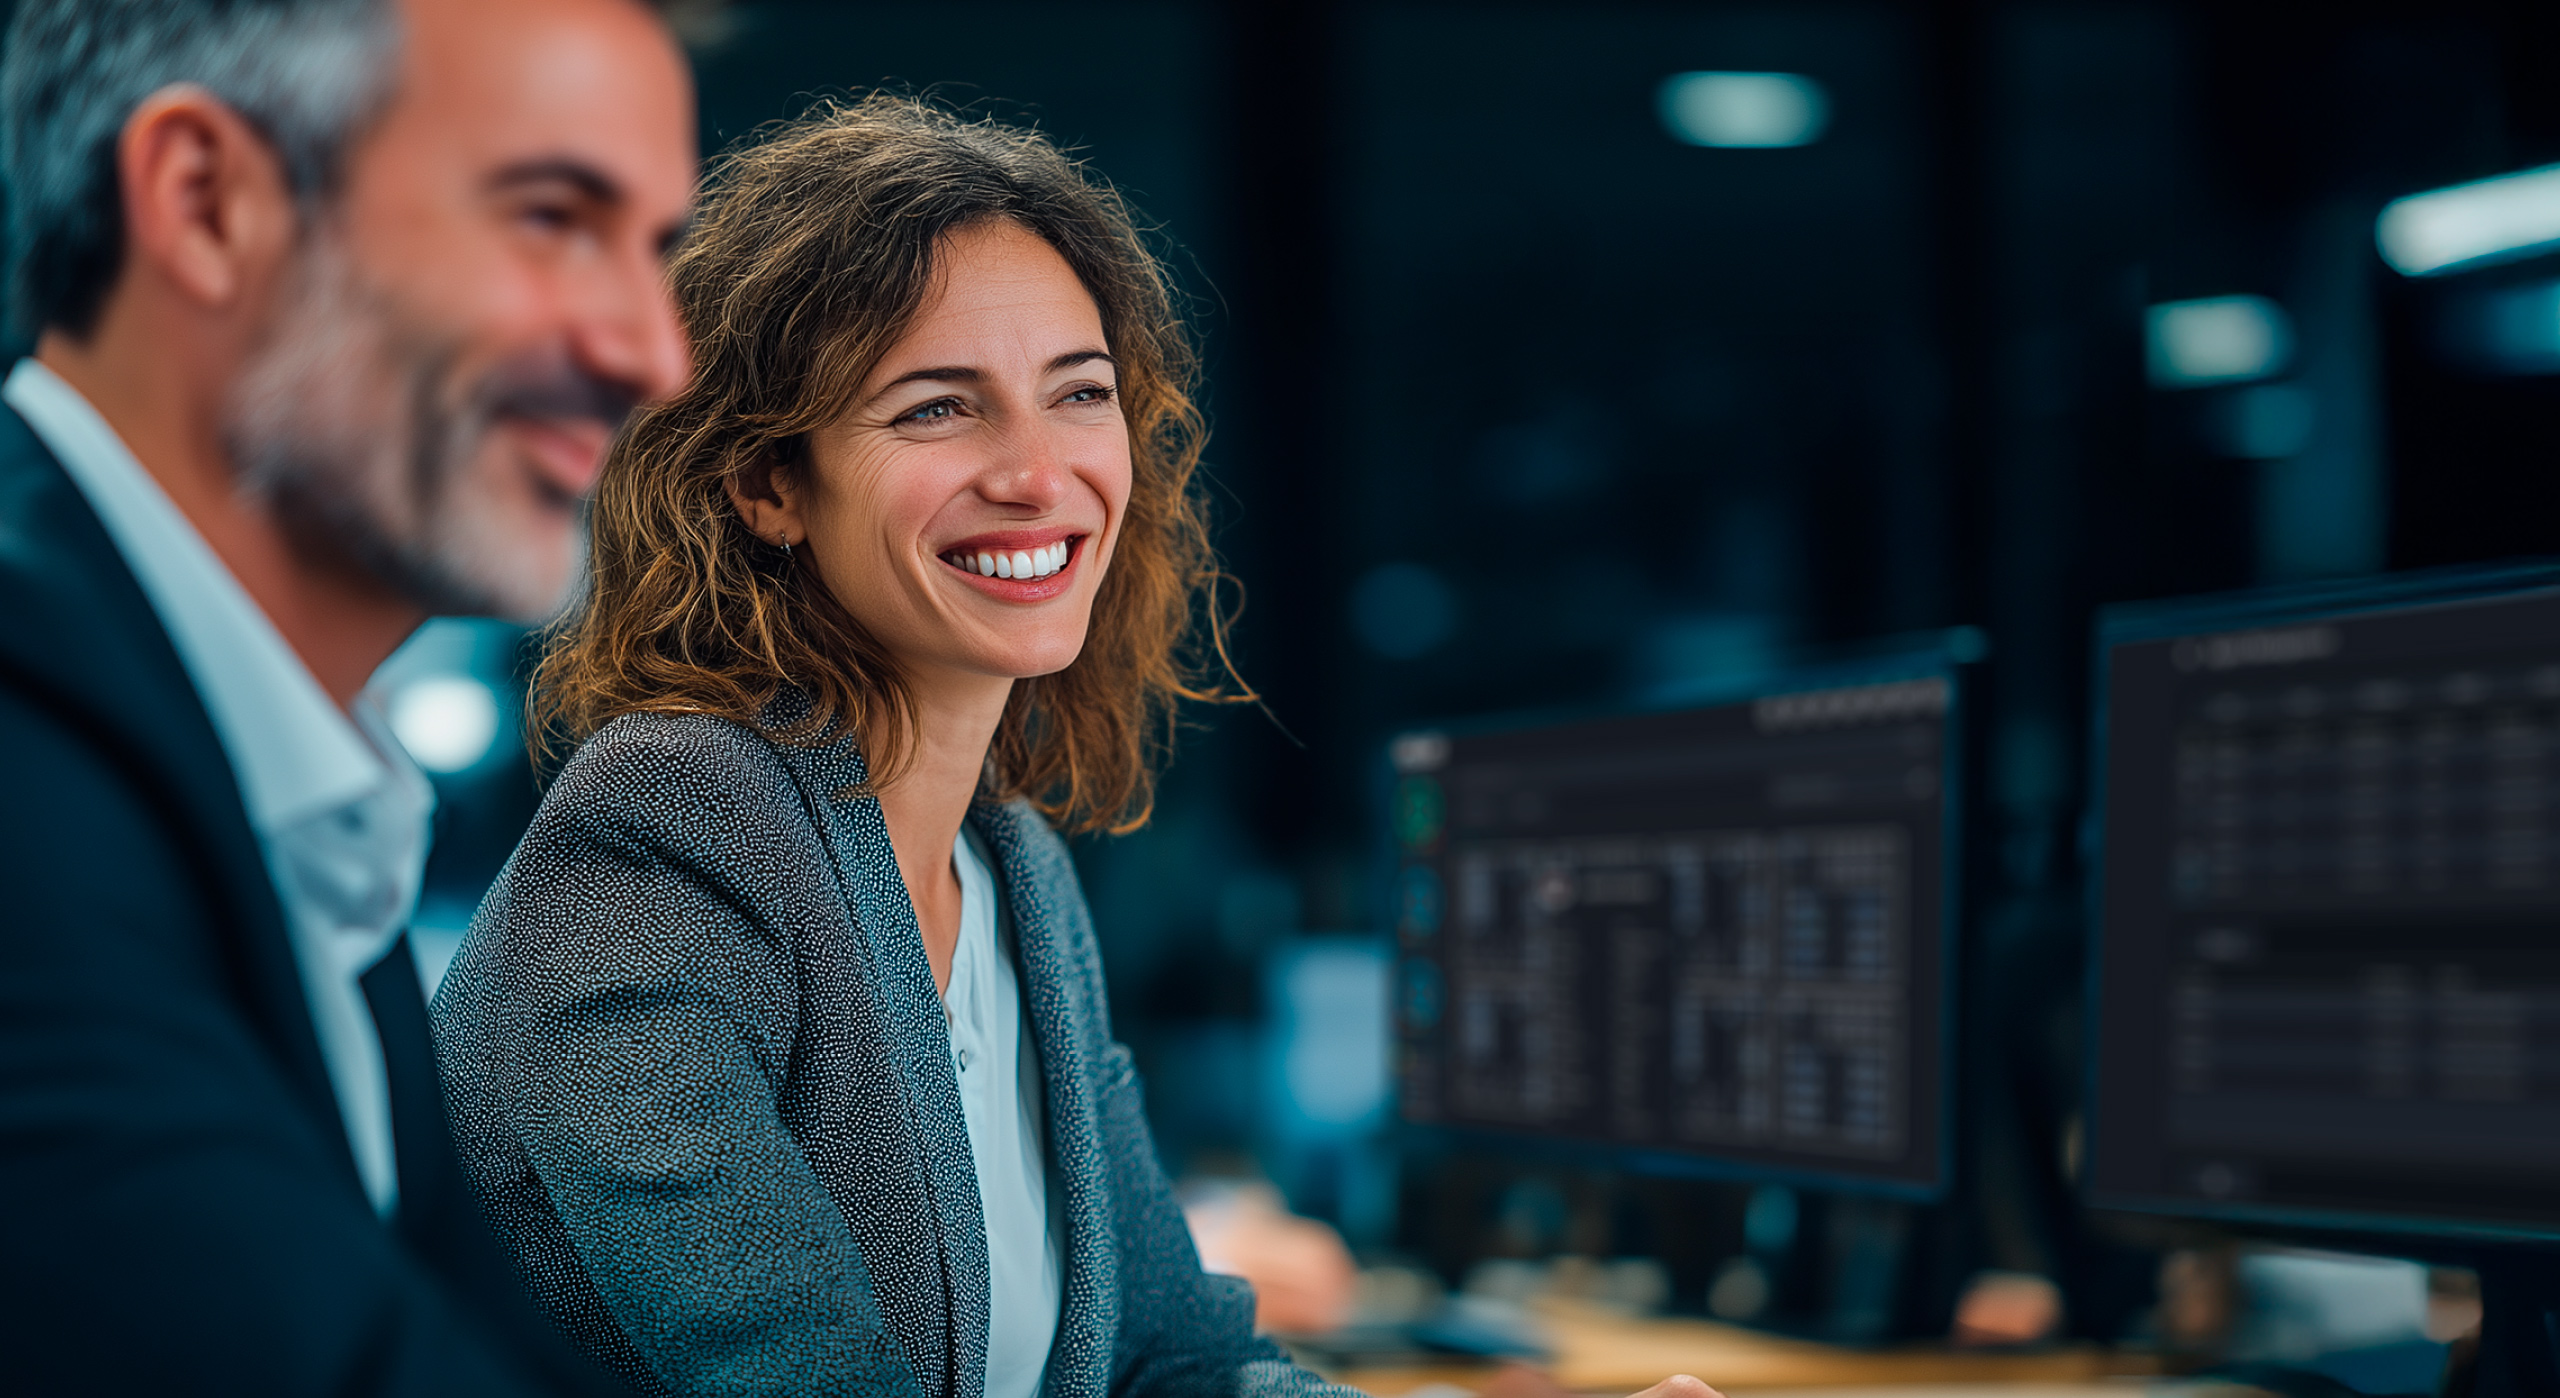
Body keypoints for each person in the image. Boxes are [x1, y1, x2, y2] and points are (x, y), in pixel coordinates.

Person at [429, 96, 1717, 1398]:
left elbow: (1176, 1359)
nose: (1039, 474)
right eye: (938, 409)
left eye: (1080, 394)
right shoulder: (672, 824)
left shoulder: (1013, 873)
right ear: (769, 484)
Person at [0, 0, 692, 1390]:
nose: (650, 355)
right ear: (205, 205)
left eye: (655, 250)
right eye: (553, 217)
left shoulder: (273, 786)